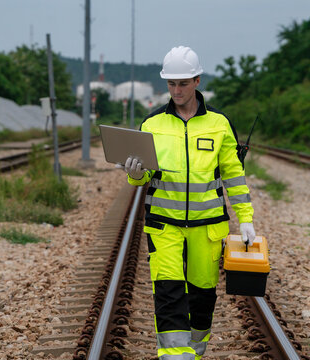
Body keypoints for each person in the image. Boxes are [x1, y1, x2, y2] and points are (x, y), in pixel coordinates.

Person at [120, 46, 255, 360]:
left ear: (196, 80)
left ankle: (195, 348)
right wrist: (134, 174)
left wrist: (245, 218)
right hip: (163, 224)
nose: (176, 90)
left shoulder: (220, 124)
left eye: (182, 83)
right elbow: (141, 180)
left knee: (202, 295)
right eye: (171, 84)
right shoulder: (152, 124)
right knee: (167, 292)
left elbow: (234, 176)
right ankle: (174, 354)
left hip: (208, 228)